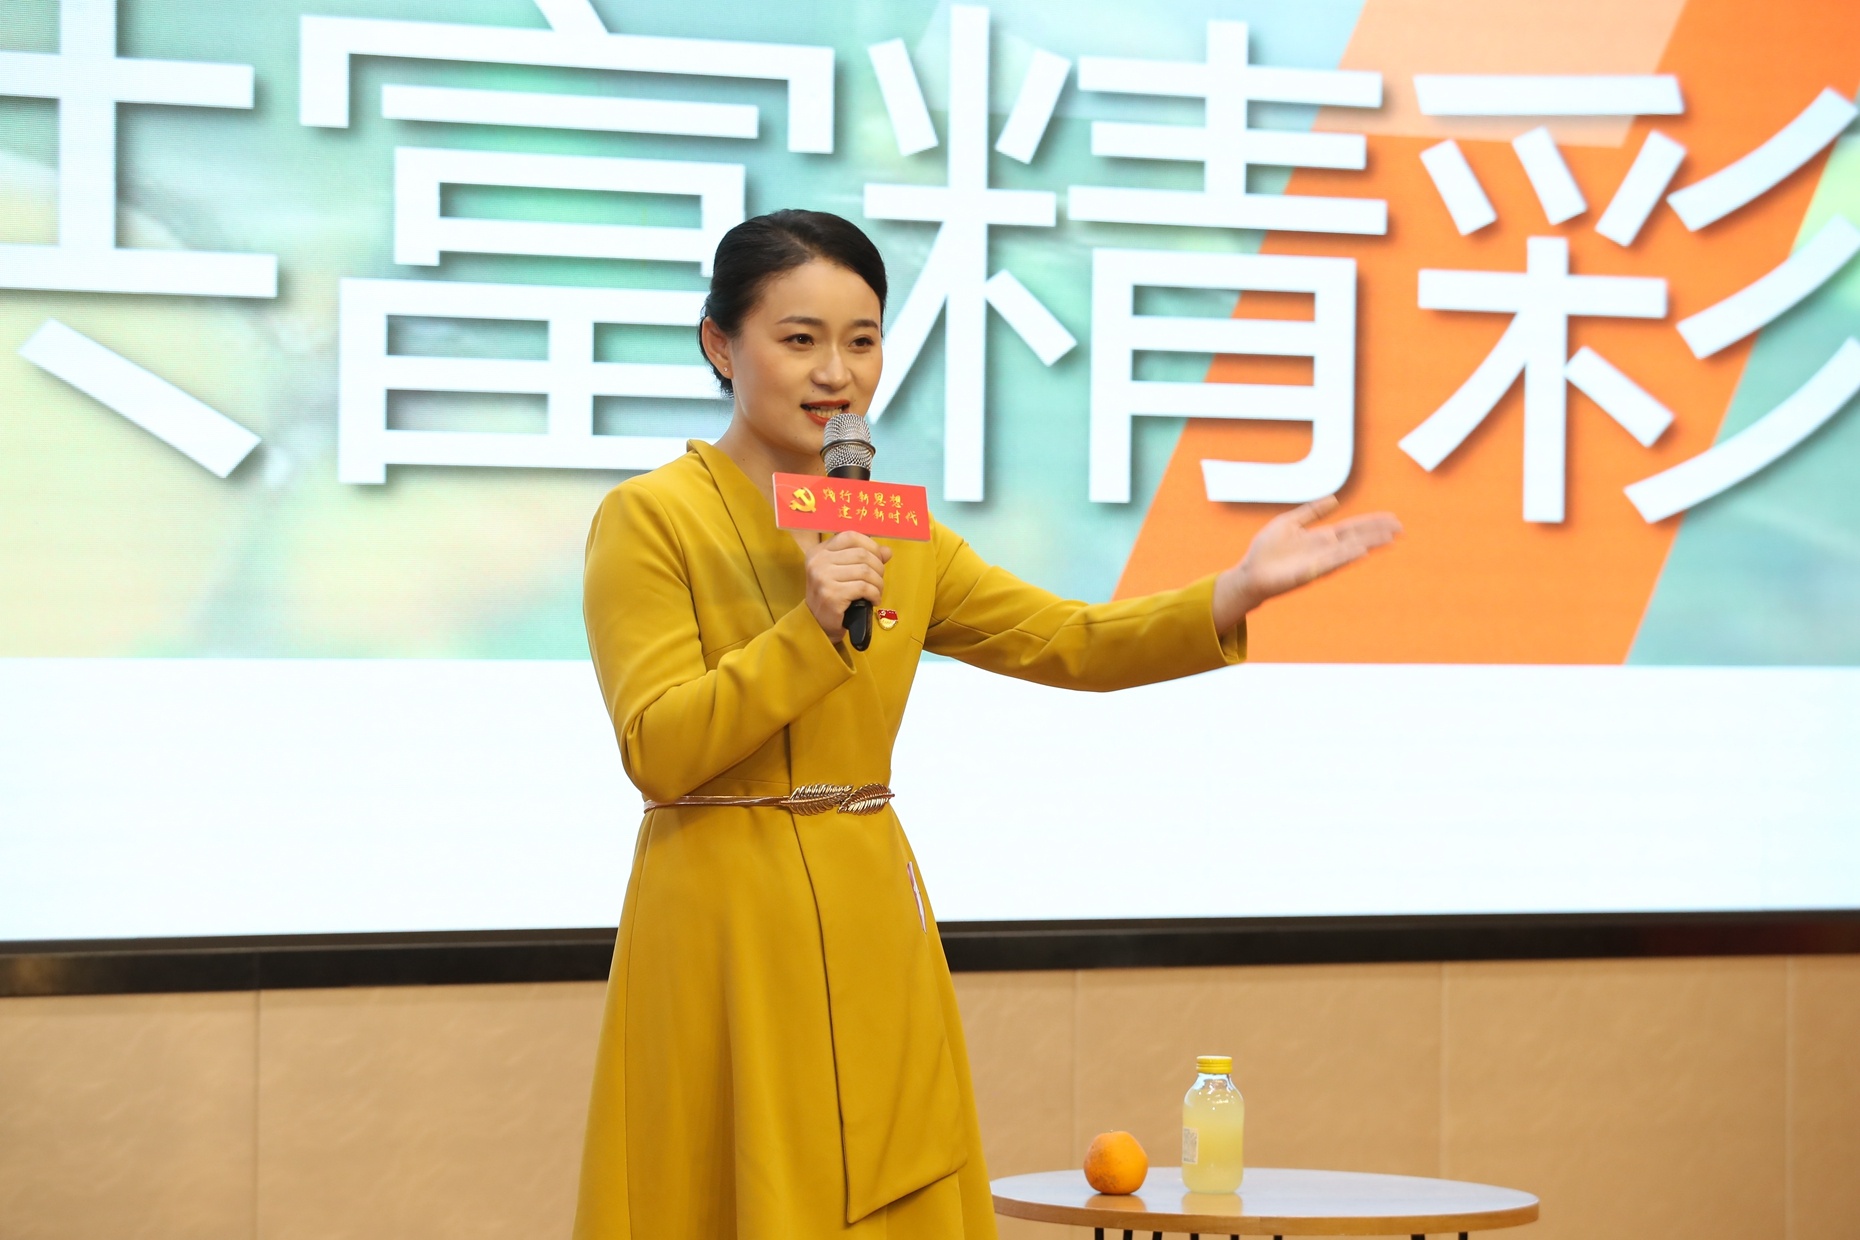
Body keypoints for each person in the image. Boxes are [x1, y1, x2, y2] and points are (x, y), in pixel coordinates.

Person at [573, 209, 1400, 1239]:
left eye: (862, 340)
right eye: (799, 339)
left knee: (894, 1169)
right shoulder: (652, 518)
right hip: (721, 924)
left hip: (872, 909)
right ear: (720, 344)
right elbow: (658, 748)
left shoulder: (894, 527)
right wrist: (808, 629)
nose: (837, 373)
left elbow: (1070, 640)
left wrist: (1231, 593)